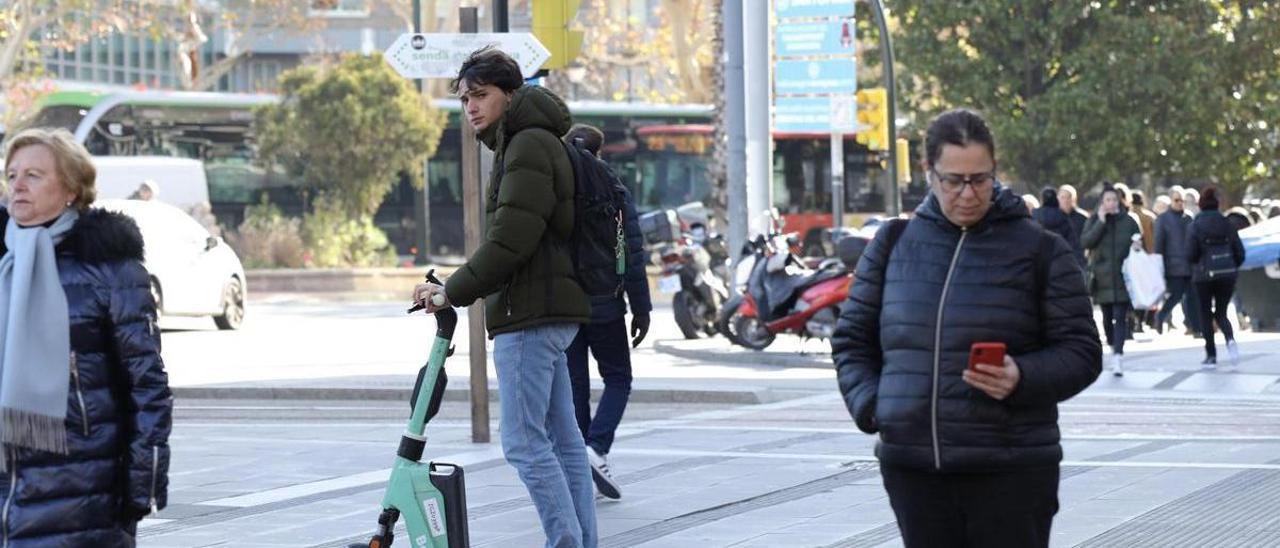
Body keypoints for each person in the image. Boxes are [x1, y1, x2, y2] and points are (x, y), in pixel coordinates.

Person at [832, 109, 1101, 548]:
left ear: (995, 170)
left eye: (980, 179)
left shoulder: (1041, 250)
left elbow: (1082, 352)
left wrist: (1022, 376)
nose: (968, 193)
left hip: (1011, 470)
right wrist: (875, 406)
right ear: (929, 172)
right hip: (914, 469)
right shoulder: (894, 244)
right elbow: (851, 341)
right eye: (954, 180)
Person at [411, 48, 596, 548]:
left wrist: (451, 291)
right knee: (564, 443)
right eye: (465, 98)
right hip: (548, 308)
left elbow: (512, 239)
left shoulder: (527, 145)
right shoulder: (532, 140)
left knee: (524, 444)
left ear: (510, 95)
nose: (471, 106)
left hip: (529, 313)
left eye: (481, 95)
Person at [1, 128, 172, 546]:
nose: (17, 185)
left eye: (34, 175)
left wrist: (142, 486)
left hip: (81, 492)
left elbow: (146, 386)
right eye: (12, 175)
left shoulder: (111, 270)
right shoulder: (4, 264)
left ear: (72, 189)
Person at [561, 123, 652, 500]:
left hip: (566, 306)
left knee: (575, 385)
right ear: (600, 151)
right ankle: (596, 448)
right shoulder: (614, 188)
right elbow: (632, 252)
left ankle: (580, 461)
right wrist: (641, 309)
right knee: (618, 378)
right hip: (607, 304)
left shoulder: (557, 190)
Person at [1082, 184, 1142, 376]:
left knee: (1120, 318)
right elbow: (1086, 242)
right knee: (1107, 319)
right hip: (1102, 278)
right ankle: (1112, 345)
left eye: (1114, 200)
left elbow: (1139, 242)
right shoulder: (1094, 220)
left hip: (1124, 277)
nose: (1111, 203)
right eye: (1107, 200)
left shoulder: (1129, 221)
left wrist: (1137, 245)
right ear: (1102, 202)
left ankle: (1118, 356)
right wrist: (1100, 222)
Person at [1187, 187, 1246, 368]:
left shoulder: (1195, 225)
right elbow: (1240, 252)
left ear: (1201, 205)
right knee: (1221, 312)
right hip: (1227, 274)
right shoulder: (1227, 223)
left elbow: (1190, 253)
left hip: (1203, 275)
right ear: (1217, 204)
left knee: (1205, 314)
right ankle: (1230, 340)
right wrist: (1231, 266)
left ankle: (1211, 355)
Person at [1154, 188, 1201, 336]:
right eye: (1177, 200)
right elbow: (1158, 244)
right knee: (1176, 295)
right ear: (1171, 201)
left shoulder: (1189, 218)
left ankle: (1196, 328)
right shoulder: (1163, 219)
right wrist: (1160, 266)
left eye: (1183, 200)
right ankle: (1161, 316)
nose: (1180, 203)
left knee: (1193, 297)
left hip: (1190, 264)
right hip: (1173, 266)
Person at [1032, 186, 1083, 271]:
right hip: (1060, 263)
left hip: (1038, 264)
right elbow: (1073, 244)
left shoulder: (1034, 216)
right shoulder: (1063, 217)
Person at [1058, 184, 1088, 264]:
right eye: (1063, 197)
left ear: (1074, 199)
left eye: (1069, 197)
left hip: (1078, 260)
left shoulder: (1083, 218)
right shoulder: (1052, 217)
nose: (1066, 200)